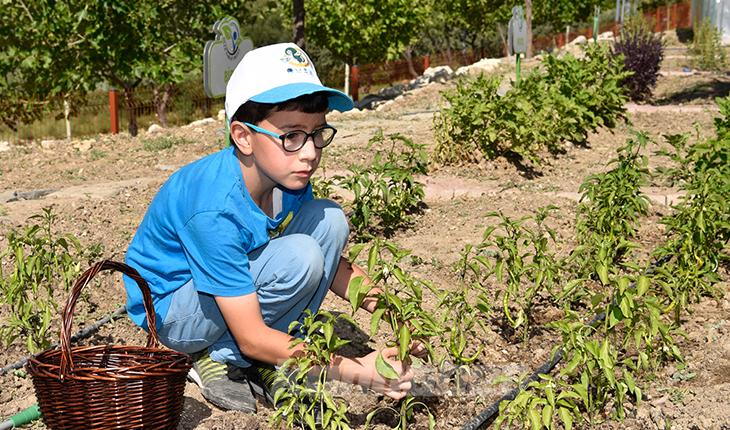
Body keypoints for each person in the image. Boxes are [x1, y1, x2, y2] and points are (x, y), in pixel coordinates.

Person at [123, 42, 418, 413]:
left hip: (226, 288)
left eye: (317, 133)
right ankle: (220, 355)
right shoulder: (213, 207)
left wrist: (401, 320)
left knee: (328, 219)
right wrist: (357, 370)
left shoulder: (284, 176)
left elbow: (336, 268)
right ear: (243, 137)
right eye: (291, 136)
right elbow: (252, 334)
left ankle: (273, 353)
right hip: (174, 312)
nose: (310, 152)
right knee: (299, 256)